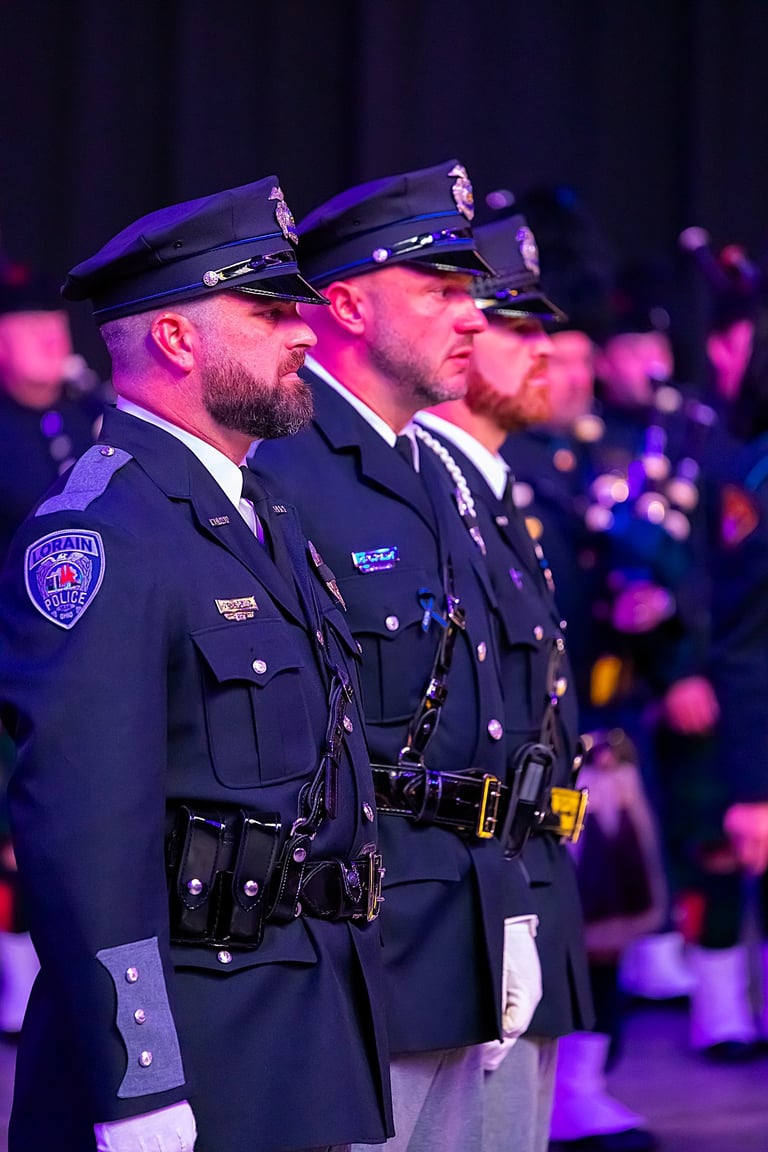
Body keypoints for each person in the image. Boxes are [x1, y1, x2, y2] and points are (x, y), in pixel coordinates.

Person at [0, 177, 393, 1152]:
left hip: (295, 1023)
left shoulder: (259, 511)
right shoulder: (101, 535)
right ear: (177, 339)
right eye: (268, 313)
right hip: (194, 1045)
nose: (303, 335)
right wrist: (136, 1081)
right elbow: (86, 837)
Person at [253, 160, 540, 1152]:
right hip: (358, 949)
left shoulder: (429, 467)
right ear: (345, 306)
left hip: (454, 927)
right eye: (441, 291)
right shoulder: (285, 470)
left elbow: (480, 722)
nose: (473, 317)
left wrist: (506, 911)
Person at [413, 211, 593, 1152]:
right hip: (467, 902)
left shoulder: (496, 490)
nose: (541, 349)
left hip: (526, 881)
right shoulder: (428, 495)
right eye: (512, 325)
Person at [0, 254, 106, 1036]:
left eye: (53, 320)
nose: (47, 336)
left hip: (85, 650)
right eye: (25, 322)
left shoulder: (89, 416)